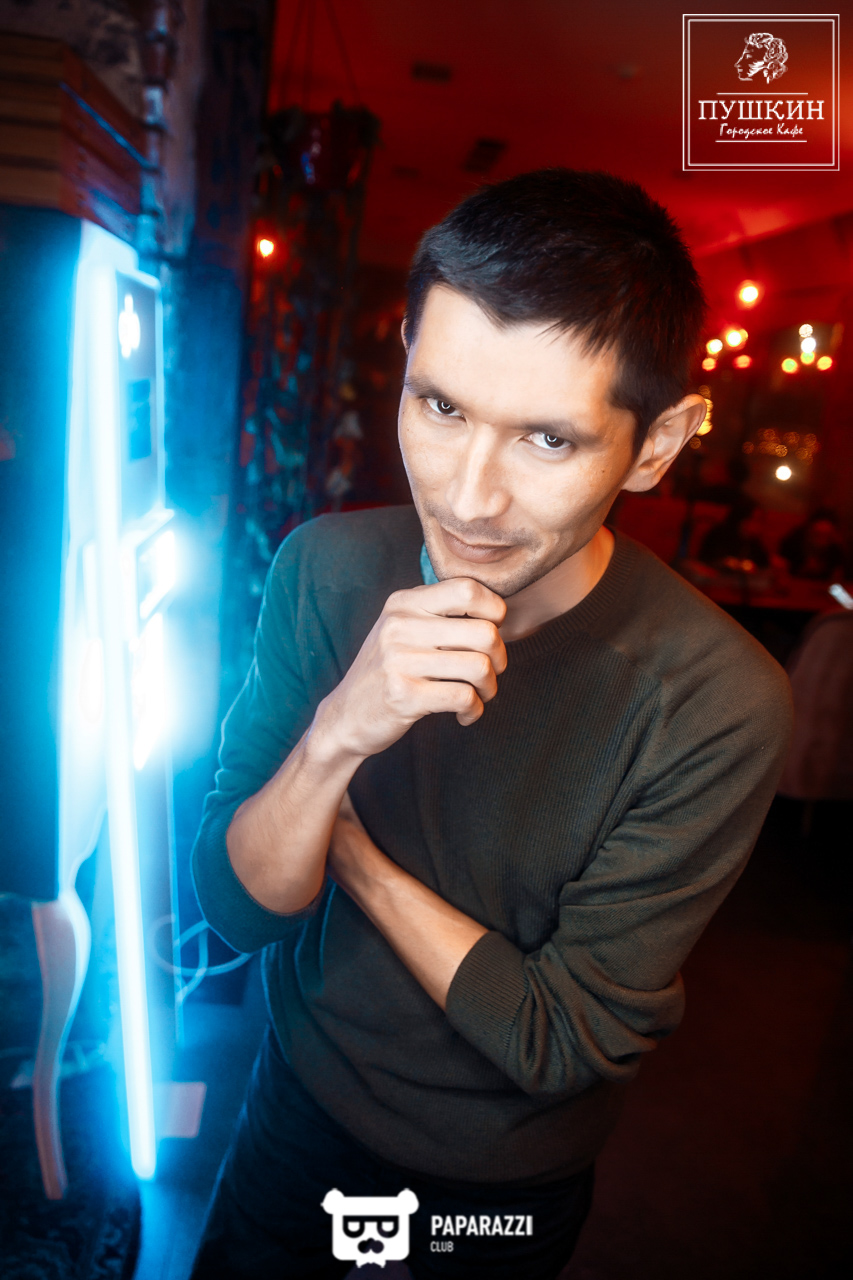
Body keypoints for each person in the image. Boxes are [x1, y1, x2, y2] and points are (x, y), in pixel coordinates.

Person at [190, 170, 792, 1280]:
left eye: (547, 440)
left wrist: (353, 857)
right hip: (295, 1108)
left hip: (495, 1187)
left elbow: (557, 1041)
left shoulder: (716, 697)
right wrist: (338, 732)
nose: (468, 497)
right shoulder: (326, 567)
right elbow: (234, 908)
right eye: (441, 406)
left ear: (655, 444)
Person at [698, 496, 772, 572]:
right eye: (757, 520)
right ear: (742, 520)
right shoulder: (719, 536)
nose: (760, 525)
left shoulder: (754, 543)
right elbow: (705, 562)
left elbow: (764, 566)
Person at [779, 508, 847, 581]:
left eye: (827, 536)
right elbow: (782, 570)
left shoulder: (836, 549)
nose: (821, 541)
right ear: (809, 530)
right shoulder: (793, 542)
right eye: (818, 535)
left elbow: (839, 576)